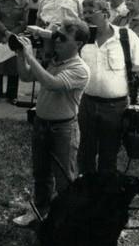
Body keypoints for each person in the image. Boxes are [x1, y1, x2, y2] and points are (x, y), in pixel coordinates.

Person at [10, 18, 91, 226]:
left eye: (62, 38)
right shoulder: (53, 60)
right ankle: (40, 211)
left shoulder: (80, 69)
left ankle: (66, 221)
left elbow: (52, 83)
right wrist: (21, 54)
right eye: (55, 36)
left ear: (78, 44)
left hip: (63, 129)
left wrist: (30, 55)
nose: (56, 41)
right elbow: (27, 76)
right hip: (41, 124)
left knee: (65, 177)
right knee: (41, 174)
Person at [78, 0, 139, 174]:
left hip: (115, 107)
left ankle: (105, 194)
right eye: (84, 13)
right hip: (86, 104)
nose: (86, 16)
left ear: (105, 14)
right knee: (85, 151)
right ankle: (85, 192)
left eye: (91, 12)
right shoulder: (81, 38)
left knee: (109, 153)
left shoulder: (125, 36)